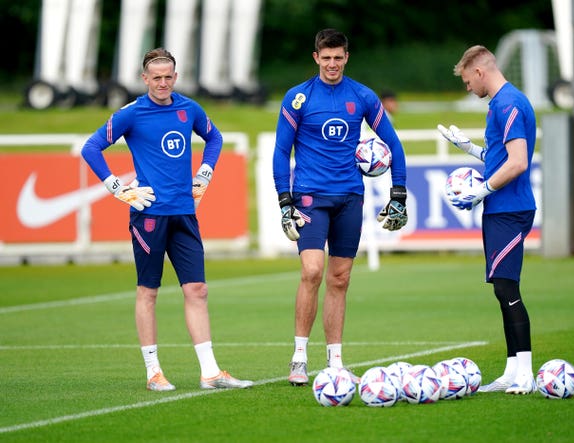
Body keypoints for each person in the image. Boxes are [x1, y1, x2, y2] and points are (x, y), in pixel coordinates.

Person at [81, 48, 253, 392]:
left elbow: (215, 138)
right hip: (148, 216)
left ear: (175, 77)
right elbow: (91, 147)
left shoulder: (189, 109)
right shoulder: (131, 114)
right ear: (145, 79)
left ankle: (210, 373)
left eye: (167, 76)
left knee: (197, 289)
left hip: (185, 214)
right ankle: (153, 372)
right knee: (149, 291)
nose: (162, 83)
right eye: (155, 77)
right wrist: (117, 187)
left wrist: (204, 173)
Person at [272, 29, 409, 386]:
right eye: (326, 57)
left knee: (340, 278)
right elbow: (280, 152)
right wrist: (284, 201)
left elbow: (393, 143)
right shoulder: (298, 98)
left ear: (347, 57)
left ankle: (335, 360)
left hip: (350, 197)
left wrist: (399, 194)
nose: (332, 64)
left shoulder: (362, 96)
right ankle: (299, 357)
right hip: (309, 197)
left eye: (338, 57)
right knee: (312, 271)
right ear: (315, 57)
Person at [438, 45, 537, 394]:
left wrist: (480, 192)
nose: (468, 88)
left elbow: (518, 162)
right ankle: (512, 370)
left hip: (509, 207)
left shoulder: (508, 103)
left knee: (508, 287)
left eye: (467, 81)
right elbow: (500, 157)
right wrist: (469, 149)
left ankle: (525, 372)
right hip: (502, 207)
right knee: (501, 287)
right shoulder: (501, 103)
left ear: (479, 72)